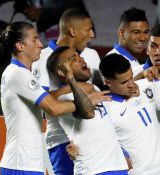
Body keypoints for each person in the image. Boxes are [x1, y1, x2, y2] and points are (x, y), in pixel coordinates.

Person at [0, 21, 94, 175]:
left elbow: (48, 99)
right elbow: (53, 108)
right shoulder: (18, 74)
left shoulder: (21, 73)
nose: (40, 45)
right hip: (20, 164)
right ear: (20, 46)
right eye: (34, 40)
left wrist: (69, 88)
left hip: (26, 164)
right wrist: (87, 102)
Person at [31, 8, 99, 175]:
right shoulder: (42, 59)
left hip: (94, 137)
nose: (92, 35)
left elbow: (102, 93)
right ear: (73, 31)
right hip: (63, 141)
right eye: (88, 29)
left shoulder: (92, 55)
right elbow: (42, 105)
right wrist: (74, 87)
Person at [46, 46, 129, 175]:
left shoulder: (94, 87)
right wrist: (71, 79)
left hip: (118, 168)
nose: (81, 59)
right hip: (94, 170)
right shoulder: (64, 98)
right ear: (62, 72)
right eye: (74, 58)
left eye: (79, 55)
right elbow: (88, 113)